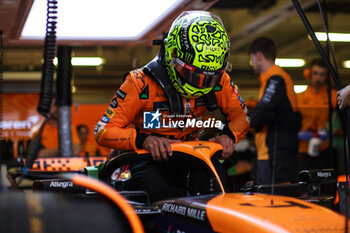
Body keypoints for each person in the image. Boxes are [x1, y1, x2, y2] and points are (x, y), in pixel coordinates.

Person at [94, 11, 250, 202]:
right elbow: (103, 130)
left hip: (193, 158)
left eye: (209, 77)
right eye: (194, 75)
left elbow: (242, 117)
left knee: (217, 190)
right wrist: (144, 140)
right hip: (146, 159)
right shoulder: (139, 82)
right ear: (173, 55)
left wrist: (229, 136)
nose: (201, 83)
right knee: (159, 195)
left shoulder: (218, 79)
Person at [248, 37, 300, 191]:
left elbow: (259, 117)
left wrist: (245, 120)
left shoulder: (276, 78)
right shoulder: (272, 79)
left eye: (251, 60)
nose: (252, 65)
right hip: (272, 155)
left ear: (258, 56)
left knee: (275, 208)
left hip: (275, 157)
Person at [297, 58, 337, 171]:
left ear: (327, 77)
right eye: (315, 73)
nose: (318, 77)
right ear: (309, 74)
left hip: (325, 149)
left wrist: (331, 132)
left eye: (322, 74)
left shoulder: (333, 96)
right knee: (304, 184)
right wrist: (298, 133)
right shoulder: (299, 98)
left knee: (325, 183)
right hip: (303, 149)